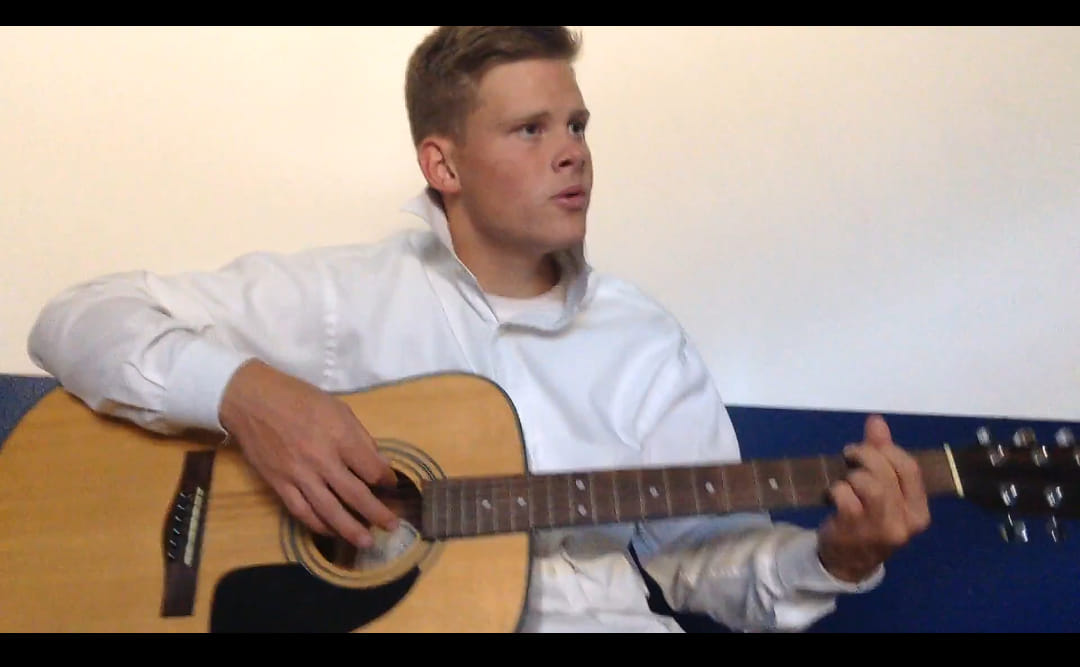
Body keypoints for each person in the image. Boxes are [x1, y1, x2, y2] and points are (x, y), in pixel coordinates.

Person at [27, 26, 930, 633]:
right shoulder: (349, 297)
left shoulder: (646, 342)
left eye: (575, 124)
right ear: (442, 162)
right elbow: (76, 319)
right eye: (530, 129)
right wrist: (246, 395)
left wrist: (837, 555)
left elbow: (702, 563)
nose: (571, 151)